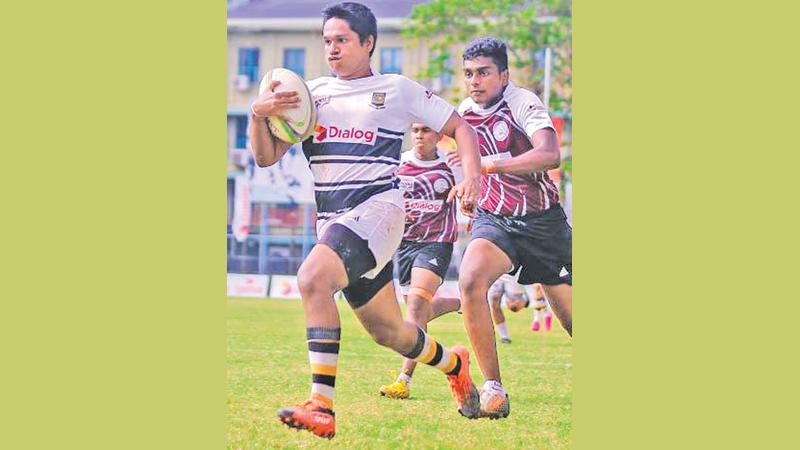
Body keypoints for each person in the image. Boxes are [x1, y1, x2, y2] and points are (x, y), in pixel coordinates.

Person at [248, 3, 484, 439]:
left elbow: (462, 128)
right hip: (335, 222)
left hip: (379, 210)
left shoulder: (396, 89)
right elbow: (264, 158)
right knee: (389, 332)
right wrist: (258, 113)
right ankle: (455, 364)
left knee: (312, 278)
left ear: (368, 42)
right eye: (327, 41)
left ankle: (321, 405)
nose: (332, 49)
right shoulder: (309, 97)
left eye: (341, 40)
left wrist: (471, 176)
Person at [456, 37, 573, 420]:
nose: (475, 81)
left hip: (543, 225)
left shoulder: (523, 103)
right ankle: (493, 390)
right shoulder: (463, 114)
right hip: (496, 221)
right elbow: (467, 166)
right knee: (471, 280)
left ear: (504, 75)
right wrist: (470, 191)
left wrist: (488, 167)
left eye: (484, 72)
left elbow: (550, 153)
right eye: (469, 73)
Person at [378, 123, 463, 400]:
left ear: (438, 136)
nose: (419, 135)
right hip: (404, 245)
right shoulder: (399, 163)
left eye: (426, 130)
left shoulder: (450, 166)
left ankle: (403, 380)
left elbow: (470, 192)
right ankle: (460, 303)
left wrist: (471, 210)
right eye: (414, 130)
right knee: (419, 313)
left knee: (415, 306)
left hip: (437, 241)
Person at [487, 274, 531, 344]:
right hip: (495, 271)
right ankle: (505, 337)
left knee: (514, 307)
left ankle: (525, 299)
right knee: (494, 300)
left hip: (511, 272)